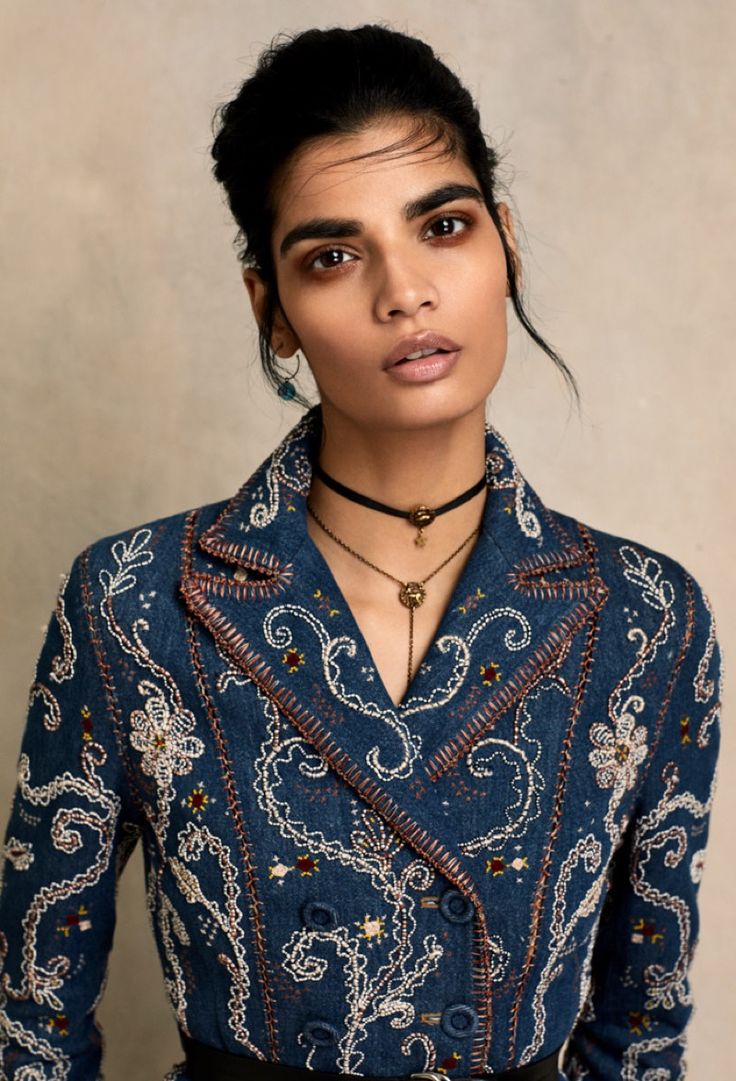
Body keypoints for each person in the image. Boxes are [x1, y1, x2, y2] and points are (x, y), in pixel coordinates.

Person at [0, 23, 722, 1081]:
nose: (404, 290)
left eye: (442, 225)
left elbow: (644, 1026)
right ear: (273, 311)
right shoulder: (135, 603)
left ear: (505, 242)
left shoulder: (645, 617)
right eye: (333, 255)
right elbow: (31, 1015)